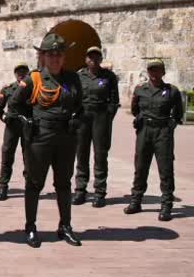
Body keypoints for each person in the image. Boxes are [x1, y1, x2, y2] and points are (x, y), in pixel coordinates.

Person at [8, 33, 83, 248]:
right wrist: (26, 121)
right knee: (34, 183)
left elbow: (80, 105)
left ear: (64, 57)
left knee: (64, 183)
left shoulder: (73, 79)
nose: (55, 59)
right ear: (44, 57)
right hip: (41, 137)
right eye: (51, 55)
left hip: (66, 137)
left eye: (59, 54)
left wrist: (77, 119)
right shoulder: (34, 79)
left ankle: (65, 226)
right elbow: (13, 106)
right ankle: (30, 227)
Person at [124, 58, 183, 221]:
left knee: (165, 169)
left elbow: (178, 113)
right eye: (151, 70)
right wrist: (141, 119)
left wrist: (171, 124)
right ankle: (136, 201)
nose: (154, 73)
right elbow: (135, 109)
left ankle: (166, 205)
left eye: (157, 70)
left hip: (163, 132)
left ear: (163, 72)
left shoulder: (172, 91)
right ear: (148, 72)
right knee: (140, 166)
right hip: (145, 131)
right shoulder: (140, 89)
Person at [73, 47, 120, 208]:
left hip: (100, 117)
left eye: (96, 57)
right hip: (83, 116)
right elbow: (75, 96)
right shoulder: (79, 76)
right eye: (90, 57)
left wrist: (108, 116)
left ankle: (100, 192)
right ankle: (80, 190)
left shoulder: (109, 76)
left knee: (100, 155)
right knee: (81, 153)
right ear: (86, 59)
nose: (93, 60)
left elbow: (114, 100)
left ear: (101, 59)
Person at [0, 62, 30, 201]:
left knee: (29, 156)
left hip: (27, 125)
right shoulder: (8, 89)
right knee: (7, 155)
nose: (21, 74)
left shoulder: (32, 88)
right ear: (15, 74)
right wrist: (4, 118)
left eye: (23, 71)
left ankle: (29, 185)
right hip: (12, 125)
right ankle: (3, 185)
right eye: (18, 72)